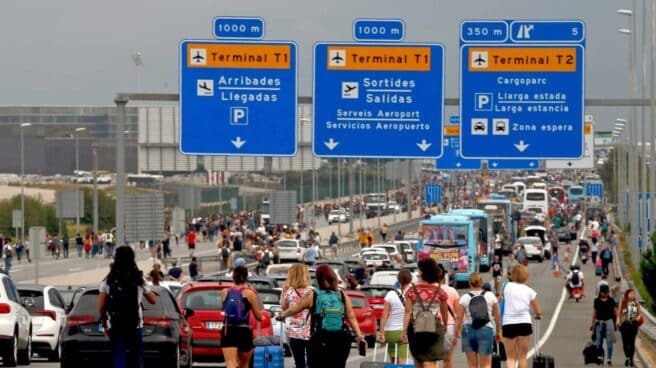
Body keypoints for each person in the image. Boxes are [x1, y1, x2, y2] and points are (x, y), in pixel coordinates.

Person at [278, 264, 364, 368]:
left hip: (319, 338)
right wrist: (360, 336)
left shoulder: (313, 295)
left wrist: (282, 315)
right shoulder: (342, 295)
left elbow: (294, 309)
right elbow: (351, 317)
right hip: (341, 338)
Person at [98, 246, 157, 368]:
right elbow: (153, 300)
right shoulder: (139, 279)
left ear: (116, 259)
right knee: (137, 358)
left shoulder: (108, 280)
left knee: (118, 357)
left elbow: (101, 306)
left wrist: (104, 325)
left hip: (116, 324)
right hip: (135, 324)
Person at [402, 258, 449, 368]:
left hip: (415, 328)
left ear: (422, 271)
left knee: (418, 361)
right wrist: (445, 325)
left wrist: (403, 331)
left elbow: (408, 312)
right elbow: (444, 311)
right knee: (430, 361)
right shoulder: (439, 290)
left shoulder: (412, 290)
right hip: (434, 327)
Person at [454, 272, 502, 368]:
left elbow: (459, 318)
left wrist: (455, 334)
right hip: (486, 330)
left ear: (469, 283)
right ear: (481, 282)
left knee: (472, 364)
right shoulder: (490, 296)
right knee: (486, 364)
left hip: (468, 331)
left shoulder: (464, 298)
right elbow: (497, 317)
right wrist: (498, 332)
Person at [221, 265, 264, 368]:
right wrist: (262, 317)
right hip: (244, 331)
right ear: (246, 278)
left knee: (230, 363)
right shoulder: (250, 293)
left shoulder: (225, 292)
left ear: (233, 277)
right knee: (244, 365)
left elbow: (224, 309)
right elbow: (258, 316)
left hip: (228, 330)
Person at [501, 264, 543, 368]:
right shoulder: (529, 291)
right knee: (522, 356)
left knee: (510, 357)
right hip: (524, 323)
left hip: (509, 323)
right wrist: (538, 315)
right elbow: (538, 310)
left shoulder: (506, 287)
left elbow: (502, 299)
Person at [377, 269, 413, 365]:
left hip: (390, 332)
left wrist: (381, 332)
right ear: (410, 280)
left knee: (393, 362)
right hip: (403, 332)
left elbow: (385, 314)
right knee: (402, 364)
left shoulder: (390, 294)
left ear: (398, 280)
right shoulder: (412, 294)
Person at [281, 264, 312, 368]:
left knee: (299, 363)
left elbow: (284, 308)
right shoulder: (312, 292)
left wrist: (284, 292)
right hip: (311, 332)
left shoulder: (289, 292)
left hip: (295, 332)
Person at [437, 263, 460, 368]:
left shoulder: (429, 291)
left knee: (432, 360)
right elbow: (459, 313)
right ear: (444, 277)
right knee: (448, 359)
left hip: (431, 326)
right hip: (450, 327)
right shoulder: (452, 291)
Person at [591, 284, 618, 366]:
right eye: (604, 292)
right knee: (598, 341)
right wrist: (592, 323)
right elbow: (594, 312)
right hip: (599, 323)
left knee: (609, 343)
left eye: (607, 292)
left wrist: (617, 322)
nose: (606, 294)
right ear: (601, 292)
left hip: (609, 323)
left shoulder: (611, 300)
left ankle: (609, 359)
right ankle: (599, 357)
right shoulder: (596, 300)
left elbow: (615, 312)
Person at [617, 289, 642, 367]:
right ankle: (627, 357)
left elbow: (640, 314)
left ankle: (631, 359)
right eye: (631, 294)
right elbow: (619, 313)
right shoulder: (623, 302)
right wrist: (618, 321)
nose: (632, 295)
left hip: (633, 324)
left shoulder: (636, 303)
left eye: (633, 294)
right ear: (627, 295)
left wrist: (638, 317)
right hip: (625, 324)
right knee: (625, 343)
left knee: (631, 342)